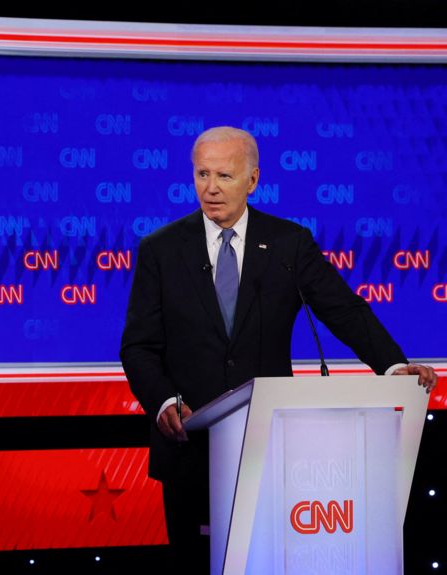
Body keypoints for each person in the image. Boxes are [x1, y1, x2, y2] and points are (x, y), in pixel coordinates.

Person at [119, 126, 437, 569]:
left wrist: (392, 365)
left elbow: (343, 310)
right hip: (190, 448)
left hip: (269, 445)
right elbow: (138, 347)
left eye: (225, 176)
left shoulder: (288, 244)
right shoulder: (161, 250)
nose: (210, 188)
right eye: (202, 174)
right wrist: (163, 401)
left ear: (252, 180)